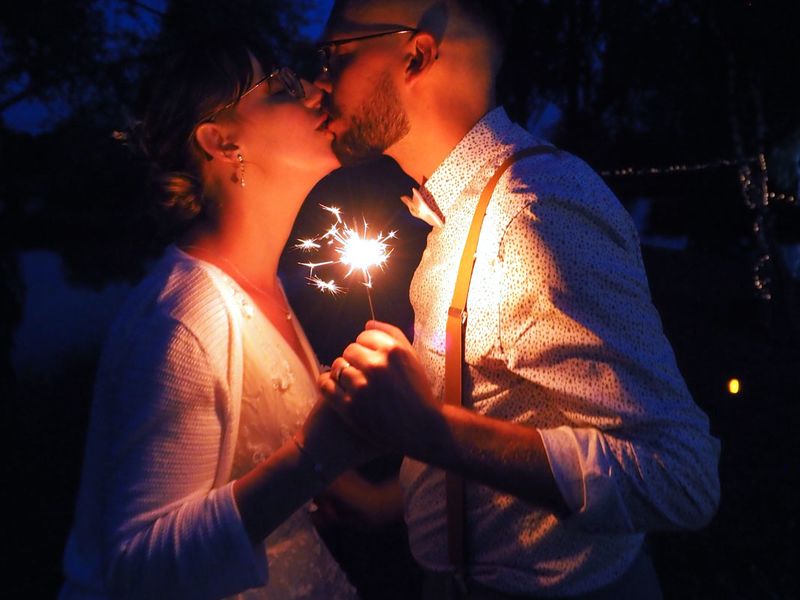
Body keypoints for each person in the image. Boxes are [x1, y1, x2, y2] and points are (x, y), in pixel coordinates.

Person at [314, 1, 721, 598]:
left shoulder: (534, 215)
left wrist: (431, 431)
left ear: (417, 54)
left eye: (334, 54)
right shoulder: (455, 209)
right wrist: (388, 499)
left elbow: (681, 477)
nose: (319, 82)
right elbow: (502, 412)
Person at [59, 36, 372, 599]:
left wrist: (429, 451)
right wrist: (314, 455)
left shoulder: (263, 287)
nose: (320, 89)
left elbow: (324, 496)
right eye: (283, 89)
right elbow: (135, 571)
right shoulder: (183, 320)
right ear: (222, 141)